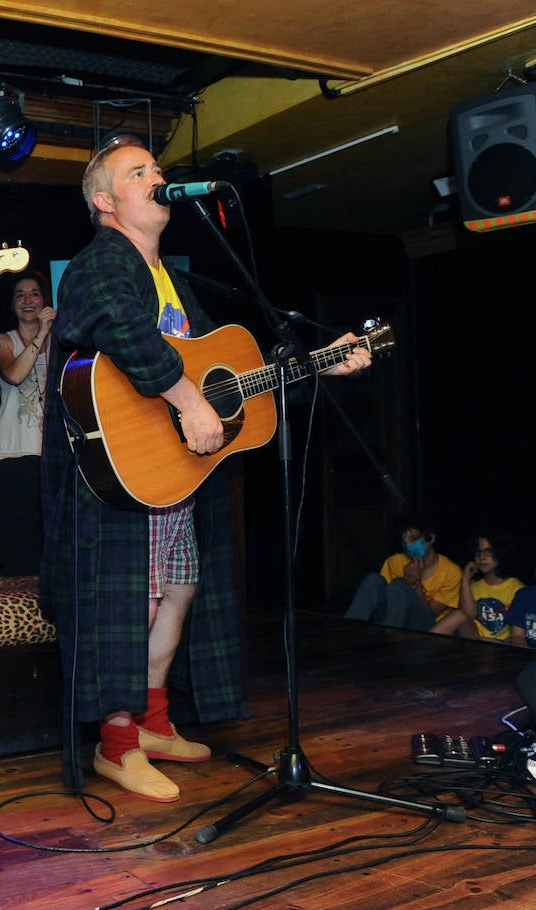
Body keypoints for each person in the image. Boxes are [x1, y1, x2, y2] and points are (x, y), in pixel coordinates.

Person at [38, 134, 372, 803]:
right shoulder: (101, 262)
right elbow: (115, 325)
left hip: (167, 478)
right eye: (138, 172)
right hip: (115, 477)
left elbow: (235, 374)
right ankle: (117, 747)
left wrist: (315, 363)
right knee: (130, 604)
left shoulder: (175, 280)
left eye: (156, 168)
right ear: (106, 201)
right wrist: (185, 396)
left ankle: (153, 721)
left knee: (179, 590)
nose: (156, 176)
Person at [343, 517, 463, 632]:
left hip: (425, 629)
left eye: (413, 539)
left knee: (399, 585)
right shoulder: (394, 561)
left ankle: (389, 644)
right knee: (373, 580)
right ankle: (348, 635)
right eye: (404, 542)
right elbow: (386, 601)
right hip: (391, 620)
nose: (408, 545)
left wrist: (415, 581)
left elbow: (430, 613)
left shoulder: (452, 572)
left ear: (431, 538)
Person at [0, 269, 54, 459]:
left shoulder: (59, 343)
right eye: (20, 295)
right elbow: (15, 375)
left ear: (44, 300)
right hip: (11, 450)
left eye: (35, 293)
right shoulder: (1, 341)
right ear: (12, 303)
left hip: (50, 451)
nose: (27, 301)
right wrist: (41, 334)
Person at [430, 534, 524, 640]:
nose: (482, 557)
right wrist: (465, 580)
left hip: (502, 648)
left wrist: (493, 642)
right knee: (458, 615)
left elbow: (519, 636)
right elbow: (467, 616)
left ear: (501, 553)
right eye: (478, 552)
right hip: (475, 643)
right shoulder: (474, 586)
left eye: (489, 552)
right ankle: (424, 650)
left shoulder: (518, 589)